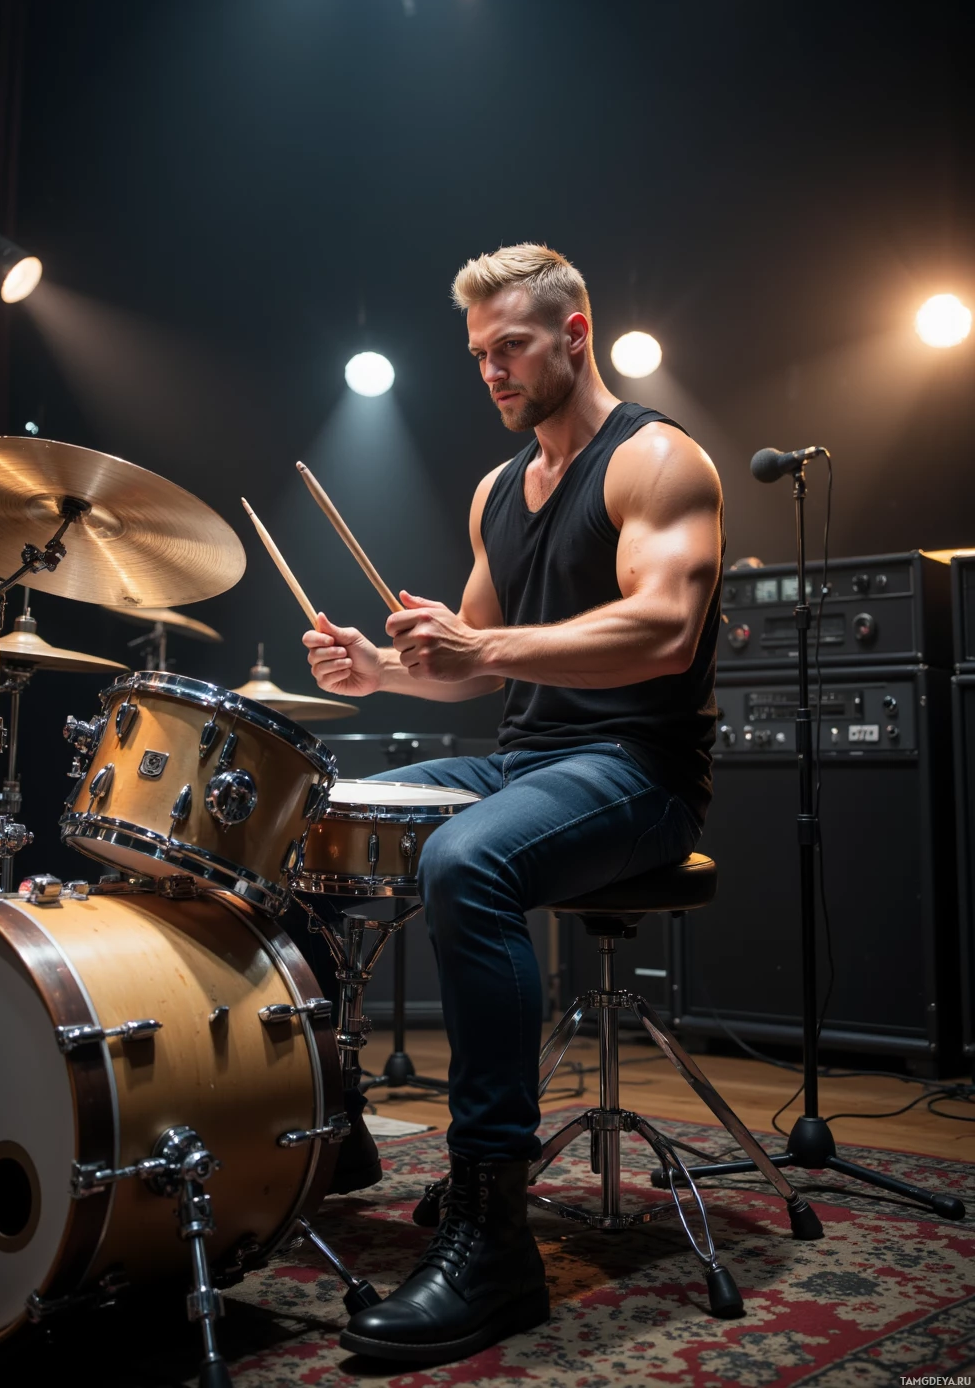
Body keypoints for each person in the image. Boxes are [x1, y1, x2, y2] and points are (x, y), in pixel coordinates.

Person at [296, 243, 724, 1366]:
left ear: (574, 333)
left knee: (464, 863)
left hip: (637, 770)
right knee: (302, 815)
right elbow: (482, 667)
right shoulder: (502, 486)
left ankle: (496, 1239)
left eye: (511, 348)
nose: (490, 371)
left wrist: (479, 639)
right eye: (479, 354)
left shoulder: (659, 461)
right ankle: (327, 1126)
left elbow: (662, 627)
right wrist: (381, 669)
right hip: (530, 761)